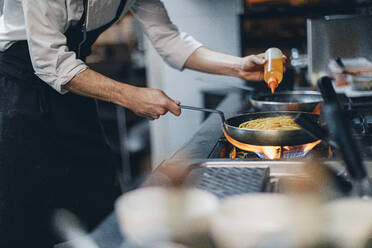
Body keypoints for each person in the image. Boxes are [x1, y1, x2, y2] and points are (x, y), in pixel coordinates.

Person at [0, 0, 266, 247]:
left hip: (72, 92)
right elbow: (51, 64)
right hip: (16, 93)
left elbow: (169, 39)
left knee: (99, 201)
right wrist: (132, 96)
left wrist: (238, 66)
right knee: (24, 213)